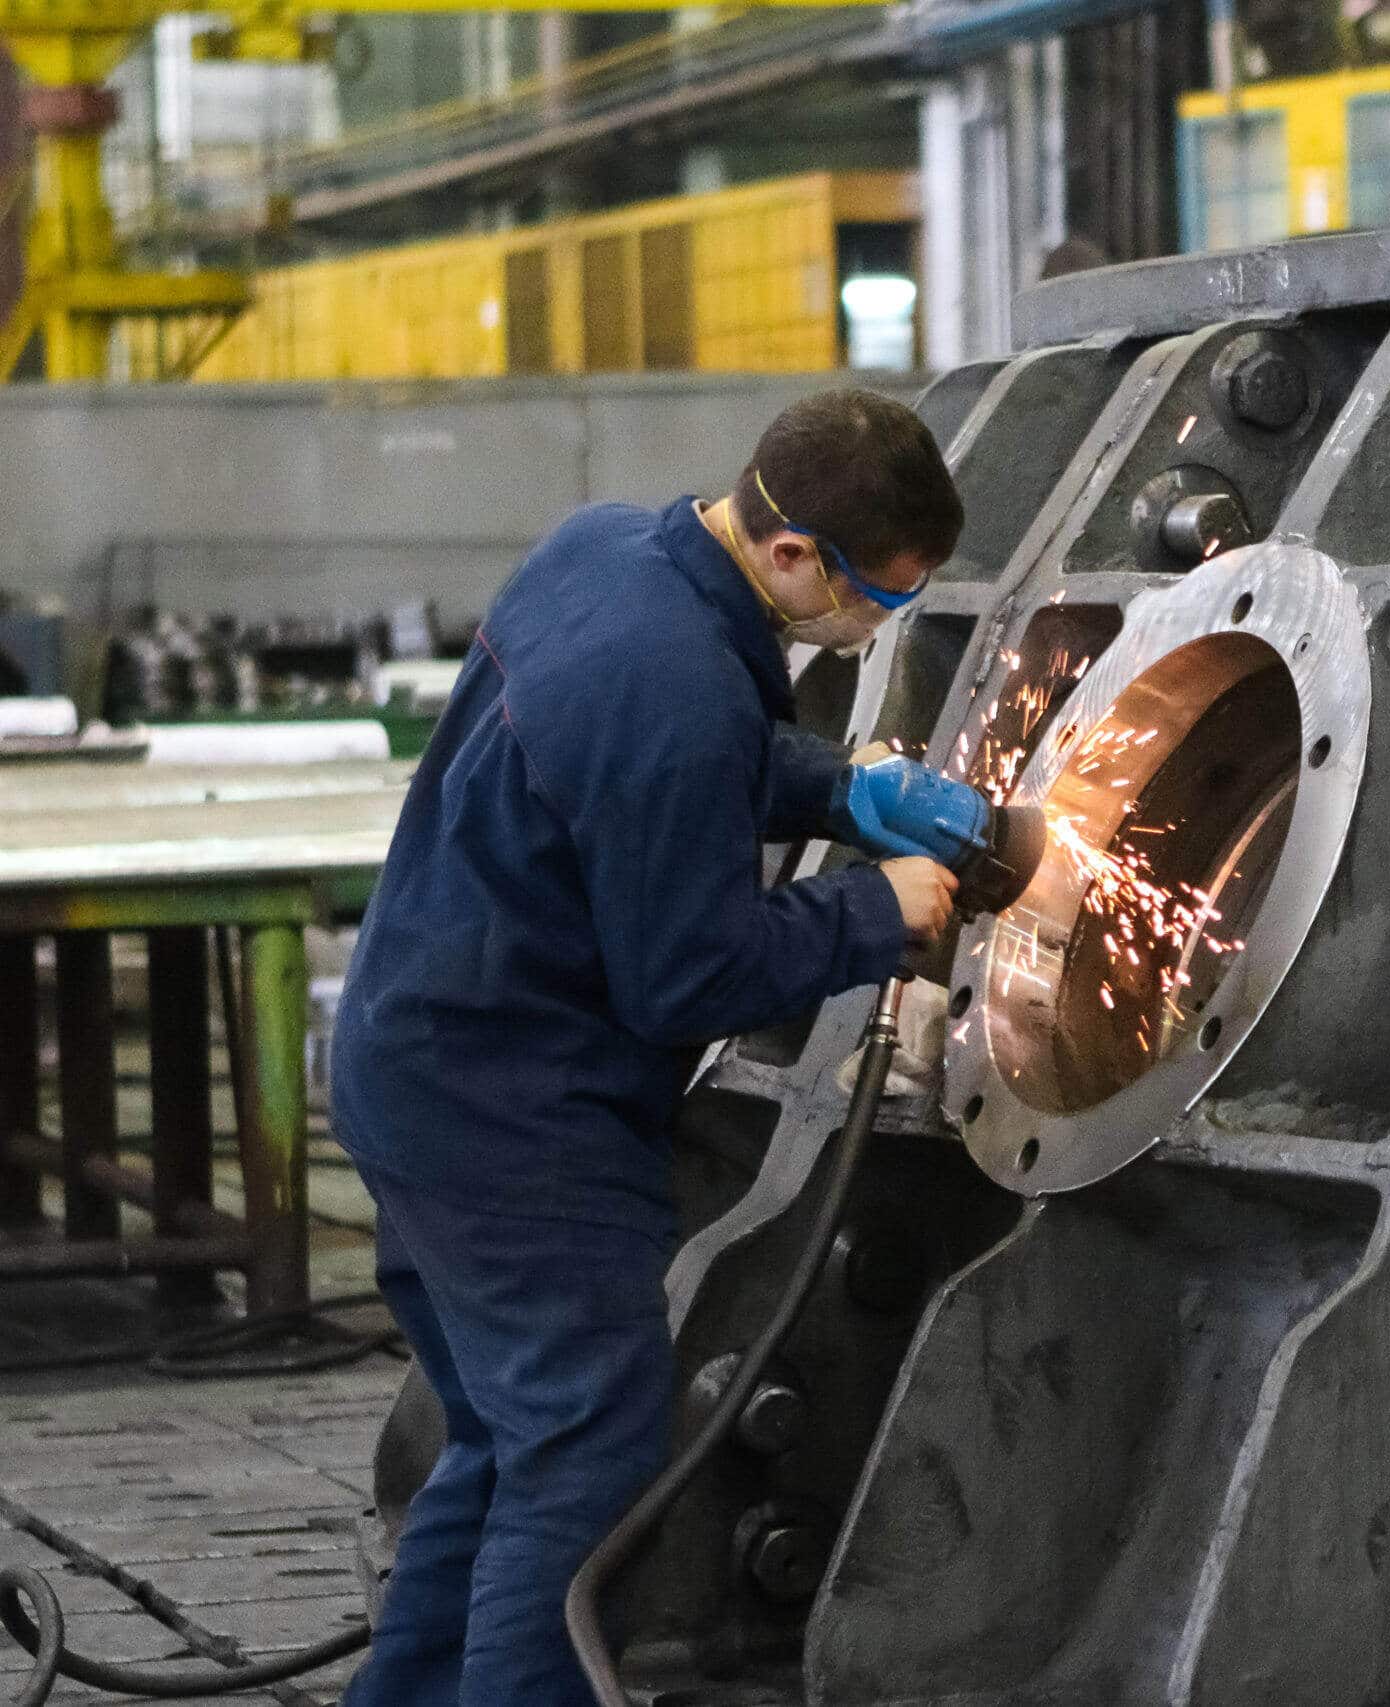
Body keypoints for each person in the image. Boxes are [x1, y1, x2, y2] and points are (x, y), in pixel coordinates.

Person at [331, 387, 964, 1707]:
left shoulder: (607, 550)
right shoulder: (670, 680)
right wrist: (872, 908)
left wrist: (845, 786)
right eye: (877, 598)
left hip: (417, 1058)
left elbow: (662, 760)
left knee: (503, 1441)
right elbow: (688, 973)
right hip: (510, 1118)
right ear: (798, 557)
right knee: (583, 1456)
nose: (875, 623)